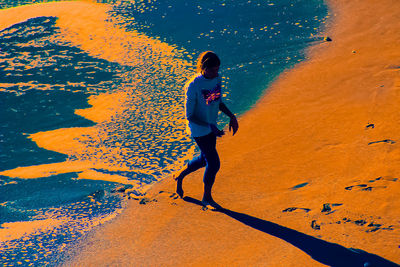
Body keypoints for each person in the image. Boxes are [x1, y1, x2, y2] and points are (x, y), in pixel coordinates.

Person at [174, 51, 239, 207]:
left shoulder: (217, 78)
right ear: (203, 67)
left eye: (217, 69)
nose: (215, 73)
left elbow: (217, 101)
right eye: (211, 70)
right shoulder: (193, 86)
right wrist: (210, 125)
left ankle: (180, 176)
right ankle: (206, 198)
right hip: (199, 129)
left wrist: (232, 116)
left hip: (212, 127)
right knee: (214, 163)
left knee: (205, 159)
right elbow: (189, 116)